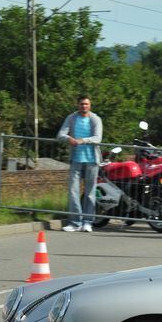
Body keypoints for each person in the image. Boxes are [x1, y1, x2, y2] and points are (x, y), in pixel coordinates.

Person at [57, 96, 103, 232]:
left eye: (86, 104)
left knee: (89, 192)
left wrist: (82, 140)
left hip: (91, 160)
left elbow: (97, 138)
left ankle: (88, 221)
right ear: (78, 105)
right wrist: (69, 138)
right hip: (76, 159)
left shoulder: (95, 119)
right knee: (73, 191)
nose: (84, 106)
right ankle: (75, 222)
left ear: (90, 105)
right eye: (82, 104)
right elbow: (60, 134)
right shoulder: (71, 118)